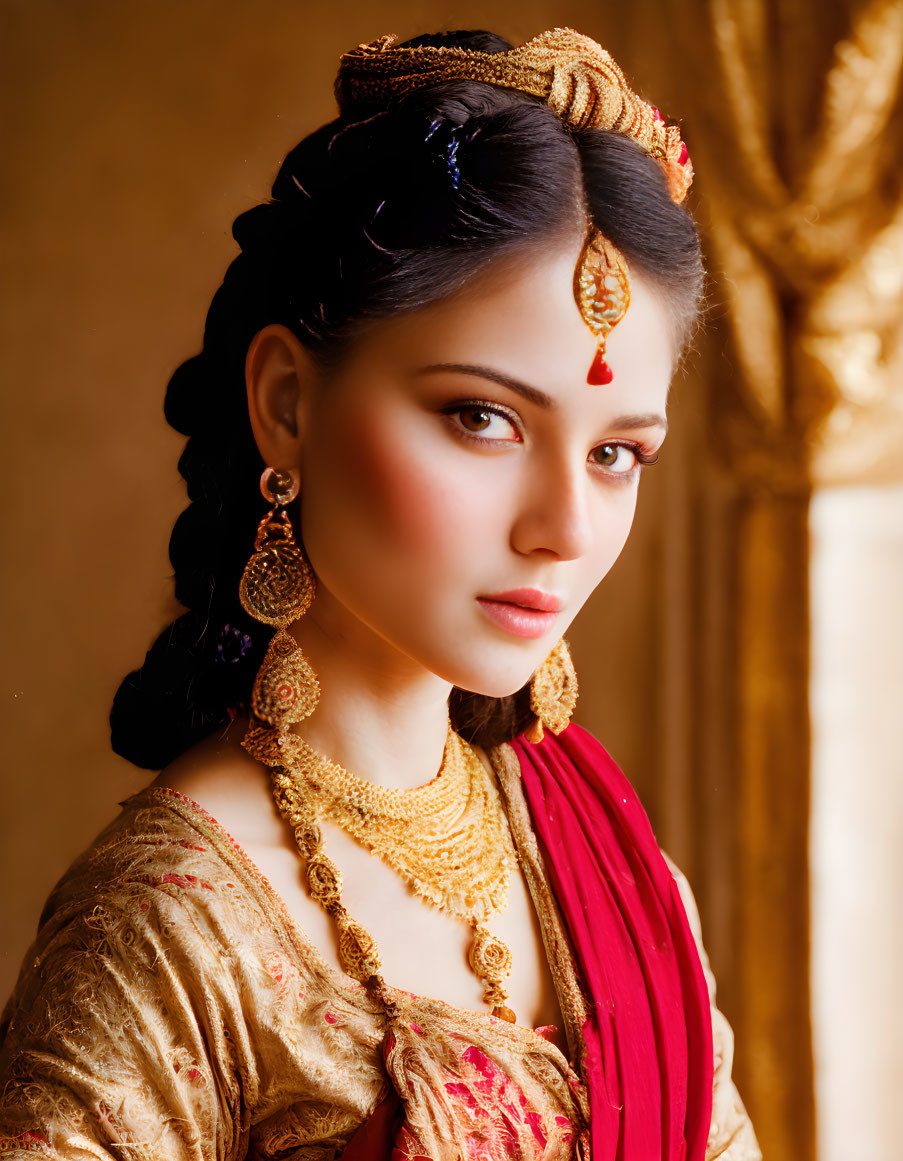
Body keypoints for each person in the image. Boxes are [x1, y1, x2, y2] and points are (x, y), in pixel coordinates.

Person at [0, 27, 761, 1161]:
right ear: (287, 405)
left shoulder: (618, 873)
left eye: (617, 455)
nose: (567, 528)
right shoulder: (163, 935)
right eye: (482, 418)